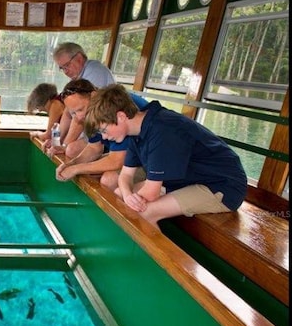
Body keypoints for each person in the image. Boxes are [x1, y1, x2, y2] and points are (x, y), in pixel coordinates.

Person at [84, 84, 248, 229]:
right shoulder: (136, 131)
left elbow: (151, 193)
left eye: (104, 130)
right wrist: (127, 195)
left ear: (121, 116)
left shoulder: (161, 129)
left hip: (221, 185)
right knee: (120, 194)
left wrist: (129, 200)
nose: (104, 138)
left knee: (143, 212)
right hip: (188, 178)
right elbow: (126, 175)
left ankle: (153, 262)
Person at [55, 79, 148, 190]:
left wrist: (76, 169)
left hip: (148, 160)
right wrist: (71, 164)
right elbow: (94, 148)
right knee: (84, 165)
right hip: (132, 155)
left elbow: (117, 160)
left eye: (80, 109)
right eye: (74, 113)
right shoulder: (93, 111)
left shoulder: (112, 106)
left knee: (109, 179)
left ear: (93, 95)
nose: (79, 117)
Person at [47, 42, 116, 157]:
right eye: (62, 68)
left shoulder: (95, 71)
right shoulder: (77, 78)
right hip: (93, 132)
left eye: (67, 65)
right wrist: (58, 142)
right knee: (69, 148)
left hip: (108, 133)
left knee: (71, 150)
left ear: (79, 58)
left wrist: (64, 146)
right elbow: (68, 113)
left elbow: (81, 116)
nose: (65, 71)